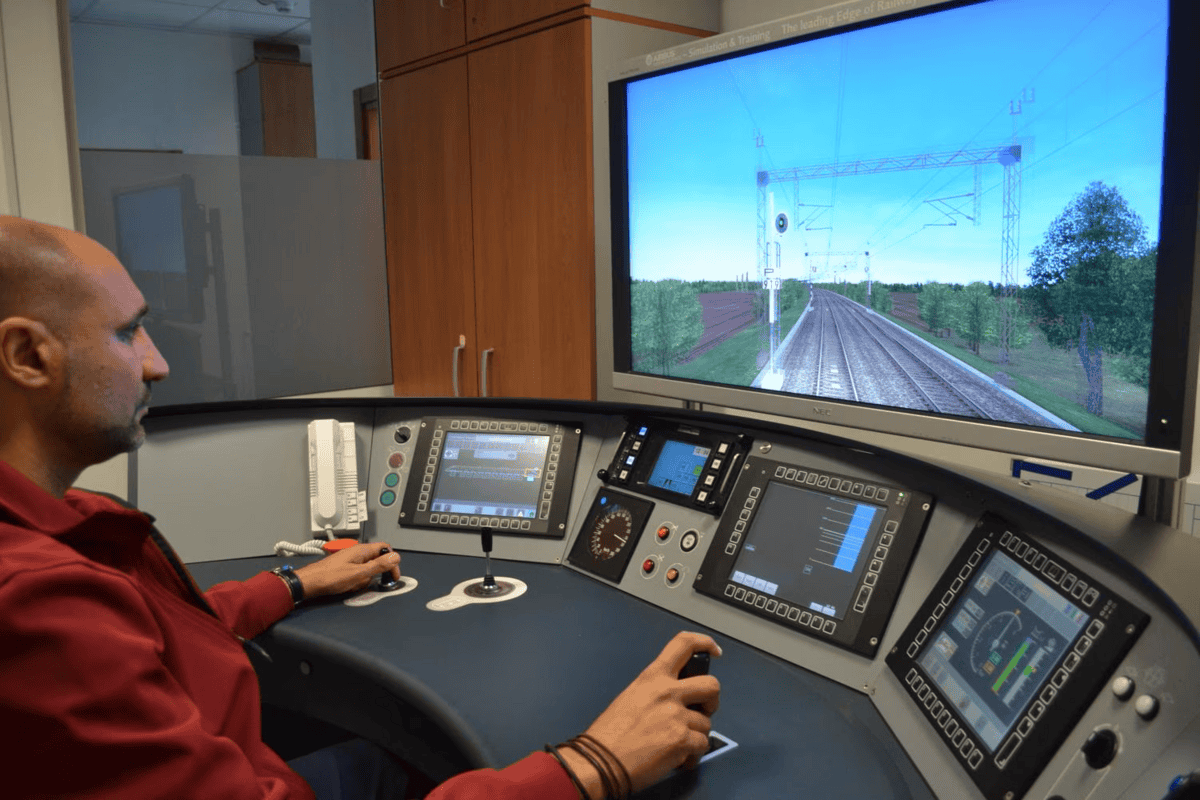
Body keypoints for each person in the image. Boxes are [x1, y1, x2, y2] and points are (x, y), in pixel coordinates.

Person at [0, 216, 722, 799]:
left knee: (406, 755)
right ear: (28, 356)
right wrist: (592, 767)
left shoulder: (58, 536)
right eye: (128, 332)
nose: (156, 362)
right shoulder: (39, 604)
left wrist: (288, 584)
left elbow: (156, 641)